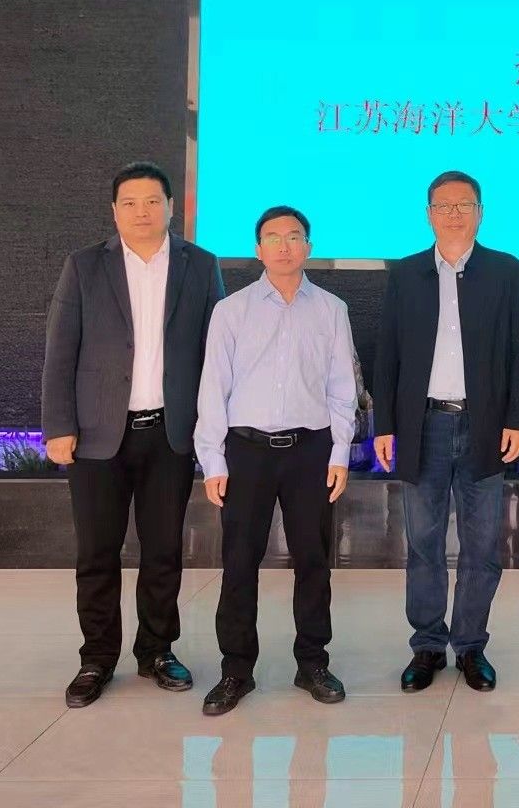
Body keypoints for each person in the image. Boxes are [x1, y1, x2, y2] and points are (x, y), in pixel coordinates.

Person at [42, 160, 225, 708]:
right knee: (97, 552)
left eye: (152, 201)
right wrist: (58, 426)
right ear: (114, 211)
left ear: (171, 207)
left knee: (163, 550)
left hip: (170, 434)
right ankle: (96, 658)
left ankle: (156, 650)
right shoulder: (84, 266)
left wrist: (214, 432)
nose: (141, 212)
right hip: (97, 436)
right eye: (130, 203)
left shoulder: (201, 265)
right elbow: (60, 351)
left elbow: (218, 354)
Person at [372, 170, 519, 694]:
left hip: (484, 424)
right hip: (422, 425)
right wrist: (385, 425)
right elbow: (388, 354)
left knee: (482, 543)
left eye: (464, 205)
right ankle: (426, 645)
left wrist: (518, 419)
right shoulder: (406, 273)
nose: (454, 214)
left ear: (480, 213)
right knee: (423, 541)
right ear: (429, 214)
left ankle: (470, 646)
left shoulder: (505, 271)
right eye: (444, 206)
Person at [194, 205, 357, 716]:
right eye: (273, 237)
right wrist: (213, 460)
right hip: (246, 452)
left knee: (313, 560)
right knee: (240, 562)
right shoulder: (232, 310)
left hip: (310, 450)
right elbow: (213, 387)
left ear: (308, 246)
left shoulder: (331, 309)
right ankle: (235, 670)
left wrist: (339, 452)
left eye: (294, 236)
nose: (284, 245)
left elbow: (342, 388)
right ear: (258, 249)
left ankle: (312, 662)